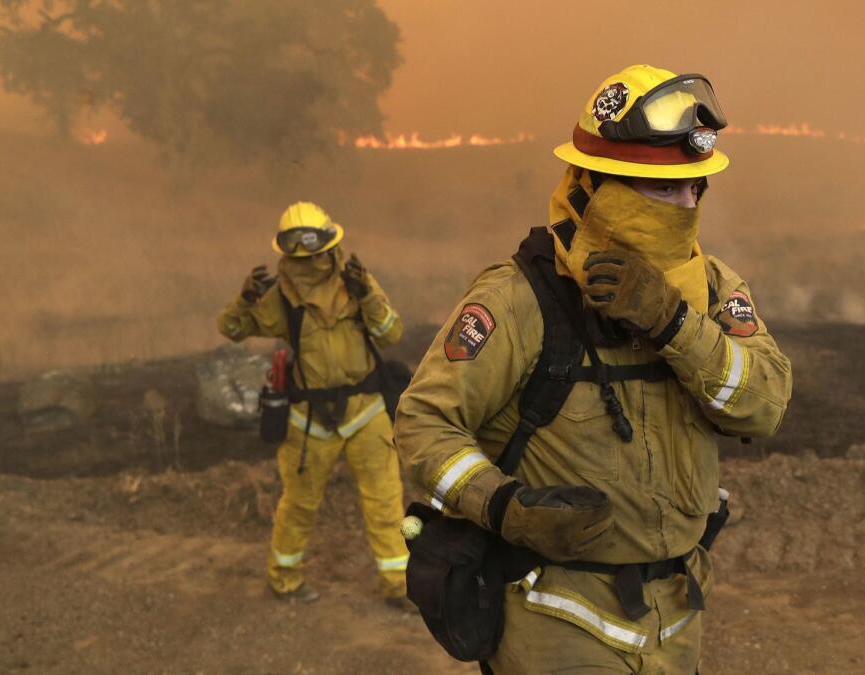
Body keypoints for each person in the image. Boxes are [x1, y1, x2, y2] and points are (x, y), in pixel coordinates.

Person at [394, 65, 793, 672]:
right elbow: (424, 423)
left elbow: (764, 407)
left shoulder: (711, 290)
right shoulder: (521, 298)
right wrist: (503, 506)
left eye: (695, 188)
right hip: (555, 616)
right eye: (665, 191)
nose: (687, 204)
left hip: (677, 614)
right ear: (598, 190)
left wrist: (676, 326)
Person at [217, 201, 410, 606]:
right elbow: (231, 329)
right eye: (302, 257)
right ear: (287, 255)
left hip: (366, 411)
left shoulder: (355, 284)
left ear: (330, 246)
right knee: (300, 504)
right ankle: (284, 579)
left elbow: (391, 334)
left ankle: (400, 587)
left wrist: (368, 296)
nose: (311, 264)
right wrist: (245, 299)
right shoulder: (277, 298)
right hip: (309, 421)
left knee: (387, 504)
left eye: (317, 254)